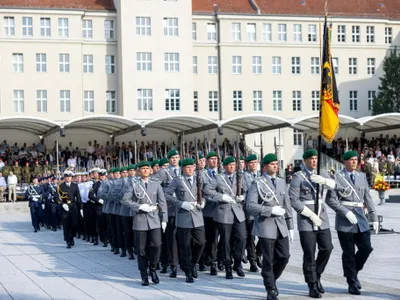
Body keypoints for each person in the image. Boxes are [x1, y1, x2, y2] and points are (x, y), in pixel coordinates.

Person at [325, 150, 379, 295]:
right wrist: (345, 212)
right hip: (345, 221)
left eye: (356, 159)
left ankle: (353, 273)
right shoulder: (337, 177)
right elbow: (330, 200)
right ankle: (352, 282)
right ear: (345, 162)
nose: (355, 162)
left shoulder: (362, 176)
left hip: (361, 219)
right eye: (351, 160)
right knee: (348, 253)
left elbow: (367, 197)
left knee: (367, 248)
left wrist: (373, 217)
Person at [289, 149, 336, 298]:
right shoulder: (298, 176)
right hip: (306, 220)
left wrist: (325, 181)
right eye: (311, 158)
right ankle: (312, 285)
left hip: (322, 218)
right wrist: (309, 214)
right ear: (305, 161)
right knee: (309, 253)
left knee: (327, 248)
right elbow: (294, 200)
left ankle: (317, 274)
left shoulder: (322, 173)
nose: (314, 161)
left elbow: (335, 187)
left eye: (315, 158)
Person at [246, 153, 294, 300]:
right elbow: (250, 206)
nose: (275, 166)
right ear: (265, 166)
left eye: (276, 163)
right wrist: (270, 210)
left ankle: (271, 279)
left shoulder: (281, 182)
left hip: (281, 225)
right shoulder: (257, 183)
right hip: (265, 225)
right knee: (268, 259)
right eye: (272, 164)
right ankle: (271, 289)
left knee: (284, 256)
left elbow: (287, 205)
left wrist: (290, 226)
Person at [121, 161, 167, 286]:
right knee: (141, 250)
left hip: (154, 220)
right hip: (140, 221)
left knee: (156, 246)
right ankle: (144, 274)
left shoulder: (156, 184)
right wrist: (140, 206)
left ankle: (152, 269)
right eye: (143, 168)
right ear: (138, 171)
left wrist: (164, 220)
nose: (146, 170)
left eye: (148, 168)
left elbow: (162, 203)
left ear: (151, 170)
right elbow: (125, 200)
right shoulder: (133, 184)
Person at [203, 156, 247, 279]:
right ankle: (228, 266)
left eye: (233, 165)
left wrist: (243, 196)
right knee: (226, 241)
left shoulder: (241, 177)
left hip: (238, 212)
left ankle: (237, 263)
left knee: (242, 238)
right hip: (224, 212)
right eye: (229, 165)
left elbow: (248, 190)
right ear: (224, 166)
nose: (231, 167)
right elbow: (207, 190)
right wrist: (221, 197)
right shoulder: (218, 178)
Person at [165, 158, 206, 283]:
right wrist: (180, 204)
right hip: (183, 216)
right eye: (187, 167)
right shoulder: (177, 180)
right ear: (183, 169)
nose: (190, 169)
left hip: (197, 215)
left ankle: (193, 263)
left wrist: (202, 201)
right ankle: (187, 270)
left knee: (201, 242)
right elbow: (166, 194)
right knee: (185, 245)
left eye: (192, 167)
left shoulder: (199, 178)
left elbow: (203, 193)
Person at [242, 153, 260, 273]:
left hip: (262, 211)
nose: (254, 165)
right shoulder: (243, 177)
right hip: (249, 211)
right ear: (247, 164)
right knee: (250, 237)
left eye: (255, 162)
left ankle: (258, 254)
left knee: (264, 237)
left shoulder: (261, 176)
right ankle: (252, 260)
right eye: (251, 163)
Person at [57, 171, 82, 248]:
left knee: (74, 224)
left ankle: (72, 236)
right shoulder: (60, 186)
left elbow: (78, 197)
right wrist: (62, 204)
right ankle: (68, 241)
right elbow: (56, 197)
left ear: (71, 178)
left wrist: (80, 208)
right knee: (66, 225)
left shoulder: (75, 186)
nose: (68, 178)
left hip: (73, 206)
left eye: (69, 177)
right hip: (64, 207)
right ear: (64, 178)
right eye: (66, 177)